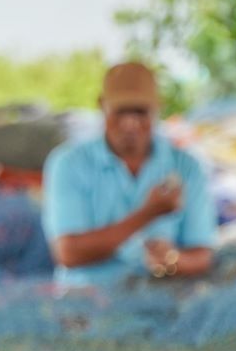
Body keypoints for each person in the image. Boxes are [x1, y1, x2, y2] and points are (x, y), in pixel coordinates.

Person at [42, 62, 216, 289]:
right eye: (121, 111)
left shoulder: (187, 166)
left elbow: (201, 254)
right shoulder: (68, 164)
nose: (130, 123)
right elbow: (68, 254)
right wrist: (148, 213)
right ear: (102, 106)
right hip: (88, 302)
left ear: (157, 109)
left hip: (162, 301)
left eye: (140, 112)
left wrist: (171, 260)